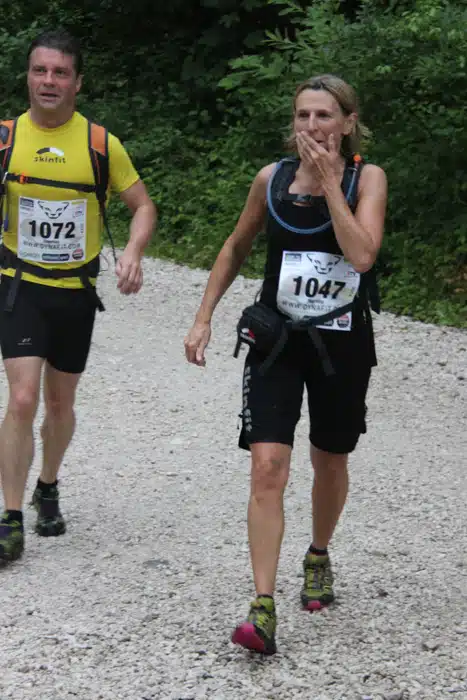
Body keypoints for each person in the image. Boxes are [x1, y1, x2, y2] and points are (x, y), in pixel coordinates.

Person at [185, 74, 387, 654]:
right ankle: (262, 605)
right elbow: (236, 244)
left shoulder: (367, 178)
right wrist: (204, 316)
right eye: (303, 115)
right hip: (277, 340)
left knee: (330, 458)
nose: (312, 127)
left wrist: (331, 186)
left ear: (348, 123)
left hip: (341, 343)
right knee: (267, 466)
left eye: (324, 116)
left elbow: (362, 254)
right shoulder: (270, 179)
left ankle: (318, 553)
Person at [0, 29, 156, 567]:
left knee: (59, 405)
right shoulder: (5, 138)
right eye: (40, 70)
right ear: (28, 76)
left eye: (60, 73)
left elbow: (143, 205)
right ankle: (11, 517)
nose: (49, 81)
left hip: (75, 291)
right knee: (22, 399)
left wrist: (133, 251)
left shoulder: (99, 144)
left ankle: (48, 483)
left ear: (77, 83)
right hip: (19, 285)